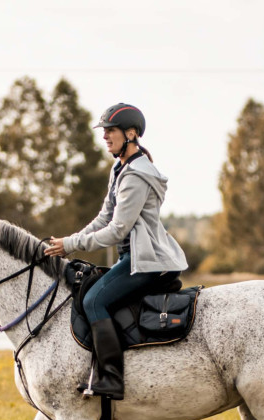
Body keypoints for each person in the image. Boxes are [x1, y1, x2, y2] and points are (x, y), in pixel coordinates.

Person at [44, 103, 188, 400]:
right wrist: (68, 242)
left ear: (131, 134)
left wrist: (71, 244)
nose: (105, 137)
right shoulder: (121, 167)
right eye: (105, 131)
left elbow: (117, 230)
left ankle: (112, 380)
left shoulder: (136, 175)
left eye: (110, 131)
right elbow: (103, 217)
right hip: (134, 259)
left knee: (95, 301)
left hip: (147, 262)